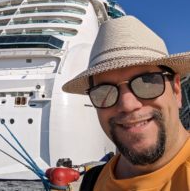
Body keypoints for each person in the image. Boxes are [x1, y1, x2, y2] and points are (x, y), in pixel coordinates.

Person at [62, 15, 190, 191]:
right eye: (104, 91)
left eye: (146, 81)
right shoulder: (92, 181)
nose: (127, 105)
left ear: (176, 90)